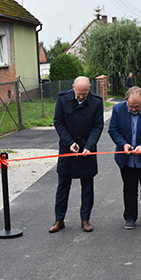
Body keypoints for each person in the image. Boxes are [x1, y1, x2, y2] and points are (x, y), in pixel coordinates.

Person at [50, 76, 104, 233]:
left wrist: (89, 146)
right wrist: (69, 143)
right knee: (62, 187)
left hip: (88, 149)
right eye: (79, 93)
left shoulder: (96, 102)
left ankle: (85, 219)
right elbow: (58, 122)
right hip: (67, 148)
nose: (81, 96)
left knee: (87, 187)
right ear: (73, 87)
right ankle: (59, 220)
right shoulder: (62, 99)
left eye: (84, 93)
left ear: (89, 89)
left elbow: (98, 125)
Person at [108, 87, 141, 229]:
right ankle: (130, 217)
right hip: (126, 159)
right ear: (126, 101)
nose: (134, 108)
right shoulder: (118, 110)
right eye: (131, 106)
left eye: (137, 106)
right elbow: (113, 130)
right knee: (129, 188)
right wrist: (123, 144)